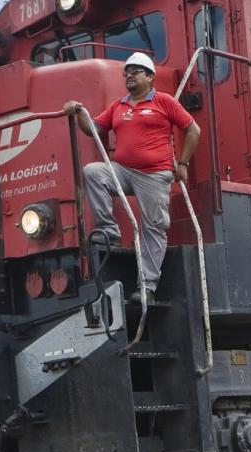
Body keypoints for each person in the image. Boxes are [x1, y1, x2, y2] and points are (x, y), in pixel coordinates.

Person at [64, 52, 200, 303]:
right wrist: (79, 112)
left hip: (154, 174)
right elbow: (93, 130)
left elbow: (193, 129)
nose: (129, 74)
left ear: (150, 77)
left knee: (153, 228)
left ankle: (147, 287)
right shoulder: (119, 105)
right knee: (93, 172)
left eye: (135, 70)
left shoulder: (165, 101)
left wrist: (183, 163)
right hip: (123, 171)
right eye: (126, 71)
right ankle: (109, 230)